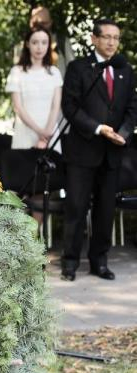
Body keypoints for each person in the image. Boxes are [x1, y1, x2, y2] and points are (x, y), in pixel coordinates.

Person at [60, 19, 137, 282]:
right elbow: (70, 107)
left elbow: (132, 108)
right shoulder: (78, 68)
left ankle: (99, 262)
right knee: (76, 208)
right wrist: (98, 128)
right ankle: (70, 262)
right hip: (82, 150)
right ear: (94, 39)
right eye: (107, 37)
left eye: (116, 37)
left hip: (113, 152)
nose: (112, 42)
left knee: (105, 210)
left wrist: (123, 134)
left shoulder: (125, 69)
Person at [6, 27, 63, 151]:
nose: (39, 47)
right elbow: (18, 108)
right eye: (35, 42)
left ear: (49, 45)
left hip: (50, 130)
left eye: (44, 42)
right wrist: (40, 132)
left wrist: (47, 133)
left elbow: (56, 106)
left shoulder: (54, 72)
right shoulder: (17, 72)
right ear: (27, 44)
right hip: (25, 131)